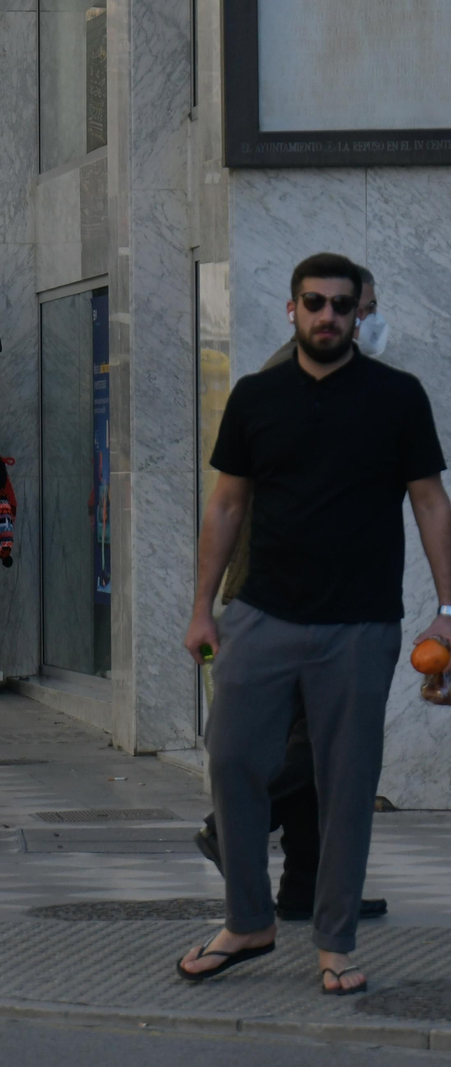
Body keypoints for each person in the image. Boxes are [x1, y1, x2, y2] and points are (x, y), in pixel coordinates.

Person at [179, 253, 451, 996]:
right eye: (314, 303)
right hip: (262, 612)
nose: (328, 316)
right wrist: (204, 607)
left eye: (341, 305)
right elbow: (227, 505)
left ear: (359, 313)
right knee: (233, 758)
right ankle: (248, 920)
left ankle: (334, 940)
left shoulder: (398, 398)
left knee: (346, 783)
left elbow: (430, 502)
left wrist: (449, 612)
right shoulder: (257, 398)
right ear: (292, 309)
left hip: (361, 623)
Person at [195, 266, 387, 923]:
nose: (360, 319)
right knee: (316, 737)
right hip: (285, 591)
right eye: (364, 307)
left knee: (320, 733)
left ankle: (308, 882)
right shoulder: (294, 383)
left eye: (358, 308)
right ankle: (239, 821)